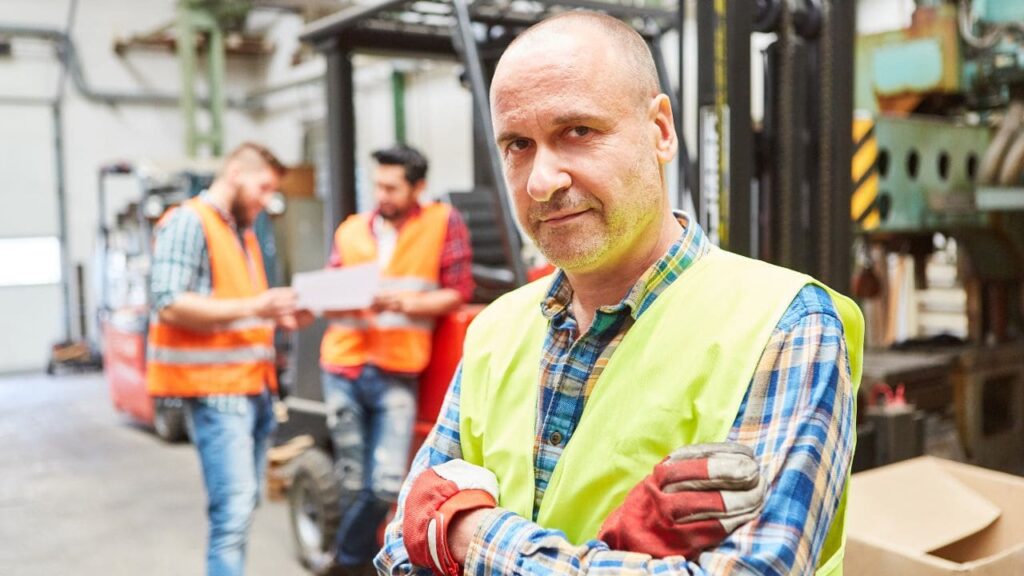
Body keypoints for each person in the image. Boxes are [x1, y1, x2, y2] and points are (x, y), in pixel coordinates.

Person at [377, 11, 864, 576]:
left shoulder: (786, 326)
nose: (541, 180)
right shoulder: (494, 330)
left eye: (577, 132)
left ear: (660, 130)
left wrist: (471, 536)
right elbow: (399, 548)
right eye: (518, 145)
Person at [148, 142, 312, 576]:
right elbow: (168, 302)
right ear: (236, 172)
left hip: (252, 386)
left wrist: (279, 317)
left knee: (242, 508)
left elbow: (239, 310)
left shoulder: (242, 232)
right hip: (218, 389)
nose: (265, 199)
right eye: (262, 188)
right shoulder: (189, 222)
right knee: (232, 516)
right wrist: (259, 307)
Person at [315, 144, 474, 575]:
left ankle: (345, 560)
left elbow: (457, 290)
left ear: (418, 186)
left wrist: (402, 301)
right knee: (350, 481)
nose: (381, 194)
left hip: (397, 371)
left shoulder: (443, 223)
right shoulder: (351, 230)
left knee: (385, 485)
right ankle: (353, 564)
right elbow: (330, 291)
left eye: (391, 186)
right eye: (377, 184)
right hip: (343, 365)